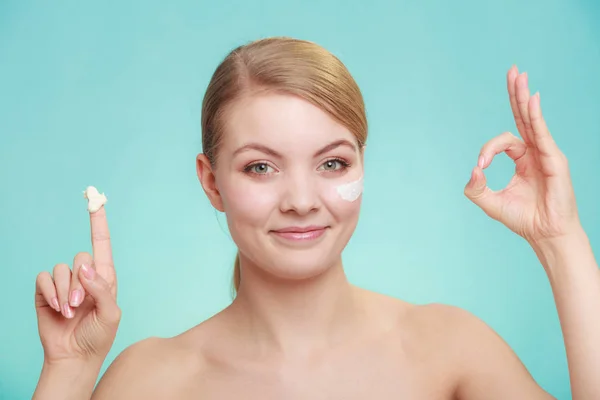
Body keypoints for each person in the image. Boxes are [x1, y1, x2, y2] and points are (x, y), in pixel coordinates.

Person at [32, 37, 599, 399]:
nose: (302, 199)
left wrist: (560, 241)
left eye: (332, 162)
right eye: (260, 167)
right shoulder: (153, 380)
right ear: (211, 182)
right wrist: (69, 372)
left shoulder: (449, 347)